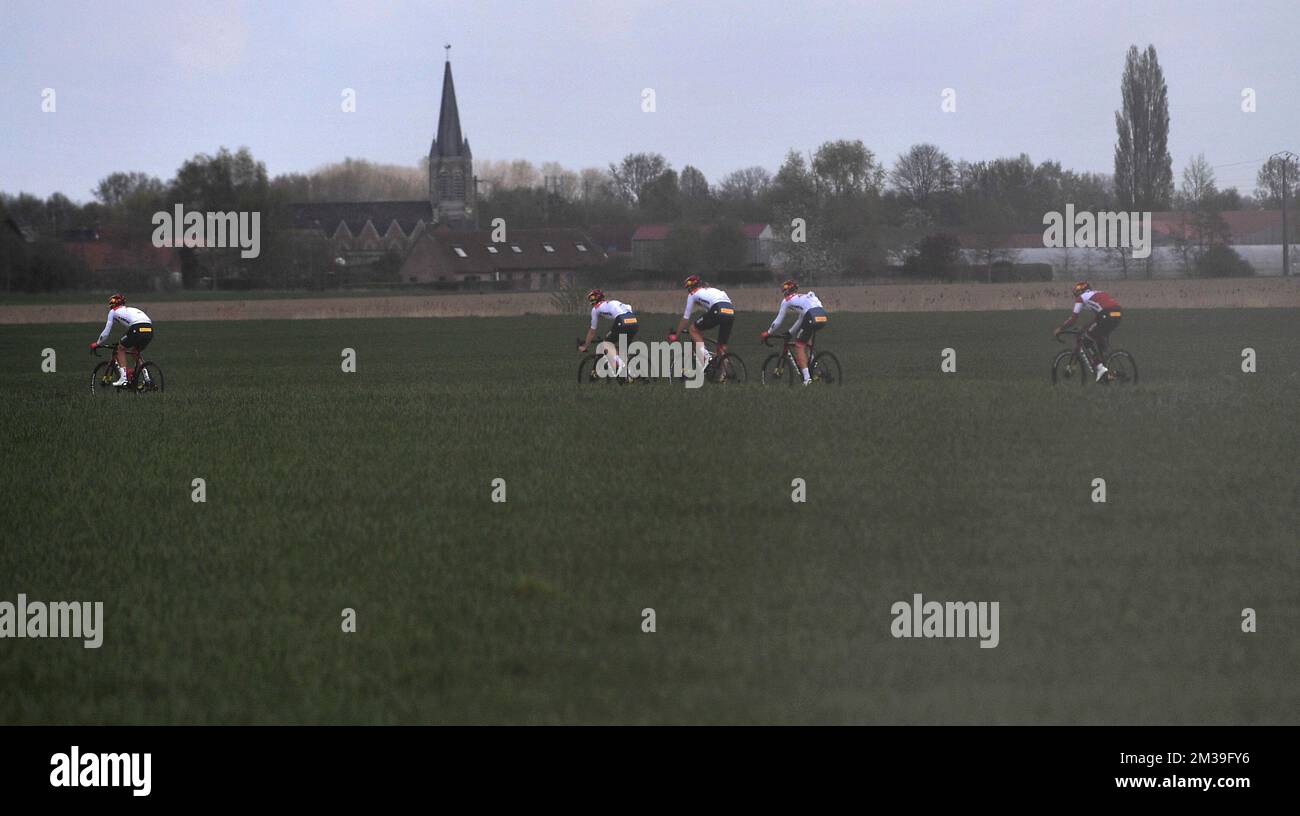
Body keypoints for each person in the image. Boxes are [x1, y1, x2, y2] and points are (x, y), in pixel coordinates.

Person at [759, 279, 829, 385]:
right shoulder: (803, 297)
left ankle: (807, 379)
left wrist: (768, 332)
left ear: (786, 292)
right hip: (822, 315)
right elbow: (801, 319)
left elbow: (778, 321)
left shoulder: (787, 300)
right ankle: (815, 370)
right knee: (807, 342)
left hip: (811, 316)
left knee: (799, 345)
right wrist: (790, 332)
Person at [1054, 281, 1121, 382]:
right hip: (1117, 314)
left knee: (1086, 340)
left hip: (1106, 315)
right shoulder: (1097, 293)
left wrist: (1061, 328)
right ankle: (1107, 371)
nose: (1076, 294)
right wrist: (1084, 327)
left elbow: (1073, 318)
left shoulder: (1081, 298)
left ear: (1080, 291)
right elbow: (1098, 318)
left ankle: (1101, 369)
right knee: (1098, 337)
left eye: (1077, 292)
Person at [668, 275, 734, 370]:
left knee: (693, 329)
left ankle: (706, 356)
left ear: (690, 287)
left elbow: (686, 318)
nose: (688, 290)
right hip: (730, 312)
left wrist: (676, 335)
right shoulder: (712, 290)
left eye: (688, 288)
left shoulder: (693, 294)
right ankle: (724, 378)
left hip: (718, 309)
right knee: (720, 348)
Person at [89, 293, 154, 387]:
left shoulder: (113, 311)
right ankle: (147, 379)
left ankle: (123, 379)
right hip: (149, 329)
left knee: (120, 348)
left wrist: (97, 343)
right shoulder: (131, 309)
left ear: (113, 304)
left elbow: (106, 332)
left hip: (137, 328)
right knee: (135, 352)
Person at [578, 289, 639, 377]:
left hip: (621, 321)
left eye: (592, 298)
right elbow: (629, 307)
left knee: (606, 344)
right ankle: (628, 374)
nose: (591, 300)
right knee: (623, 351)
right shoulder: (613, 302)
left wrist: (585, 346)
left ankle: (619, 365)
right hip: (634, 321)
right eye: (590, 298)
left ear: (598, 298)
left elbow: (592, 331)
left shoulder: (595, 309)